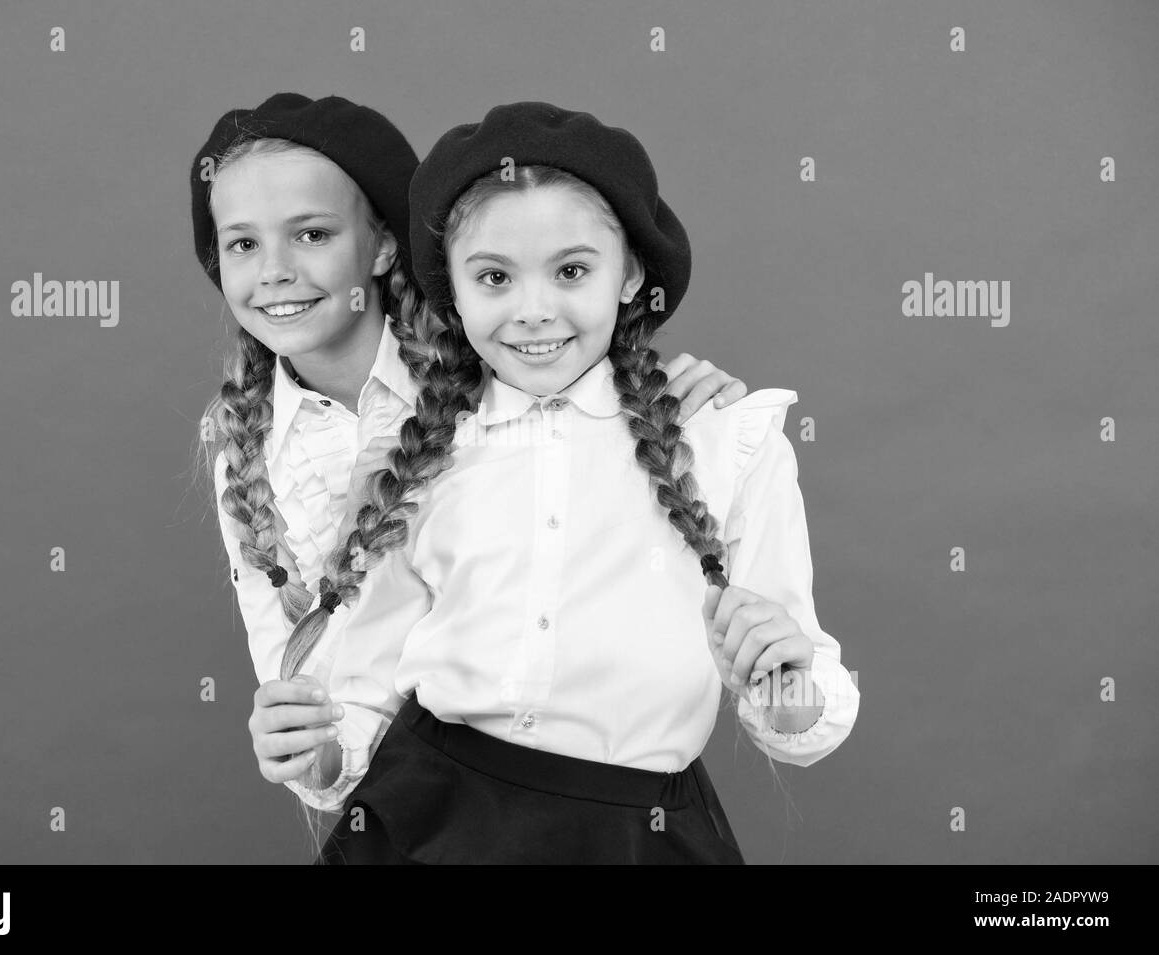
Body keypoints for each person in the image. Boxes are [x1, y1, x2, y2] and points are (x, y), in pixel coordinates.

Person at [282, 102, 861, 864]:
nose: (533, 311)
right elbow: (363, 697)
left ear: (630, 278)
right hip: (425, 821)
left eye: (572, 270)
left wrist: (785, 678)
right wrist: (316, 750)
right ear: (452, 293)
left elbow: (798, 710)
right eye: (493, 277)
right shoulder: (418, 455)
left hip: (634, 836)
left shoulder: (728, 441)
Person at [187, 94, 750, 805]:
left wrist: (673, 398)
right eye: (243, 243)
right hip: (409, 805)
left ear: (385, 244)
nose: (273, 271)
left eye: (311, 234)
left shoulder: (490, 369)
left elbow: (580, 379)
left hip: (551, 785)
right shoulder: (243, 453)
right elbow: (302, 691)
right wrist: (307, 750)